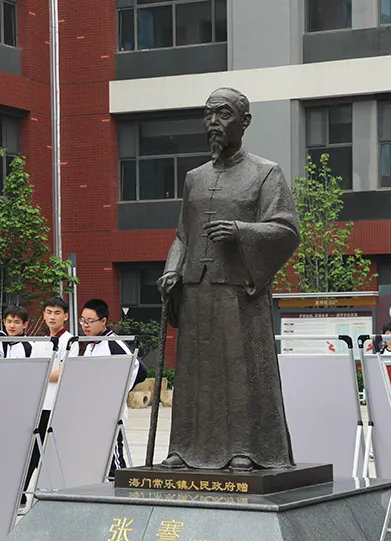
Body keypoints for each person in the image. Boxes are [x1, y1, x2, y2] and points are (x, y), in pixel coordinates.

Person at [155, 88, 299, 471]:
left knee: (240, 372)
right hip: (196, 291)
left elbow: (286, 229)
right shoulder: (195, 178)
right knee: (193, 373)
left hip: (239, 293)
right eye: (208, 115)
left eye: (223, 114)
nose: (213, 123)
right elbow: (183, 235)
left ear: (244, 121)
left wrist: (240, 231)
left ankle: (247, 449)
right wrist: (171, 270)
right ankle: (185, 447)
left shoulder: (265, 173)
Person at [79, 299, 147, 476]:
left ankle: (120, 488)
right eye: (82, 320)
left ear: (103, 321)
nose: (85, 325)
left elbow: (140, 370)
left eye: (90, 321)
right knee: (98, 458)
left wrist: (116, 393)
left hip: (110, 413)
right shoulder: (91, 344)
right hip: (93, 412)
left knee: (113, 458)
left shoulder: (114, 343)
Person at [24, 297, 74, 487]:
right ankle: (23, 494)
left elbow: (62, 373)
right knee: (32, 452)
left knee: (52, 453)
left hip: (56, 406)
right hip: (38, 405)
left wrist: (39, 375)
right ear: (43, 315)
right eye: (49, 312)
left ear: (66, 316)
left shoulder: (70, 341)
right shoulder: (39, 342)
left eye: (57, 313)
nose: (52, 317)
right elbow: (31, 371)